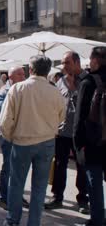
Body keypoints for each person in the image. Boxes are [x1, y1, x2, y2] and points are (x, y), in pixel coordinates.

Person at [0, 55, 65, 226]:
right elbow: (61, 116)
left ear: (30, 69)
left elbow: (4, 121)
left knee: (16, 184)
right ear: (48, 71)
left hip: (22, 142)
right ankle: (34, 222)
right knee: (40, 187)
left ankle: (13, 221)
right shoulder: (55, 91)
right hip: (47, 142)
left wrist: (11, 137)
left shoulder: (17, 89)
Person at [45, 51, 89, 213]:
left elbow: (90, 106)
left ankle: (83, 199)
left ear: (77, 62)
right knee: (59, 165)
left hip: (81, 133)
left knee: (82, 166)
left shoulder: (87, 80)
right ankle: (57, 197)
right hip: (62, 132)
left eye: (67, 63)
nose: (64, 66)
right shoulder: (60, 81)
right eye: (63, 63)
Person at [73, 46, 106, 226]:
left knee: (95, 184)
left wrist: (78, 144)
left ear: (95, 61)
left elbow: (79, 117)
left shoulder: (88, 82)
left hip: (93, 141)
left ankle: (98, 220)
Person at [0, 66, 27, 210]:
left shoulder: (25, 90)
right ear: (11, 77)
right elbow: (5, 112)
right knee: (8, 167)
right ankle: (4, 198)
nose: (23, 76)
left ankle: (17, 195)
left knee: (20, 168)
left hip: (23, 135)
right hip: (8, 136)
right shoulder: (3, 92)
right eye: (20, 74)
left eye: (24, 74)